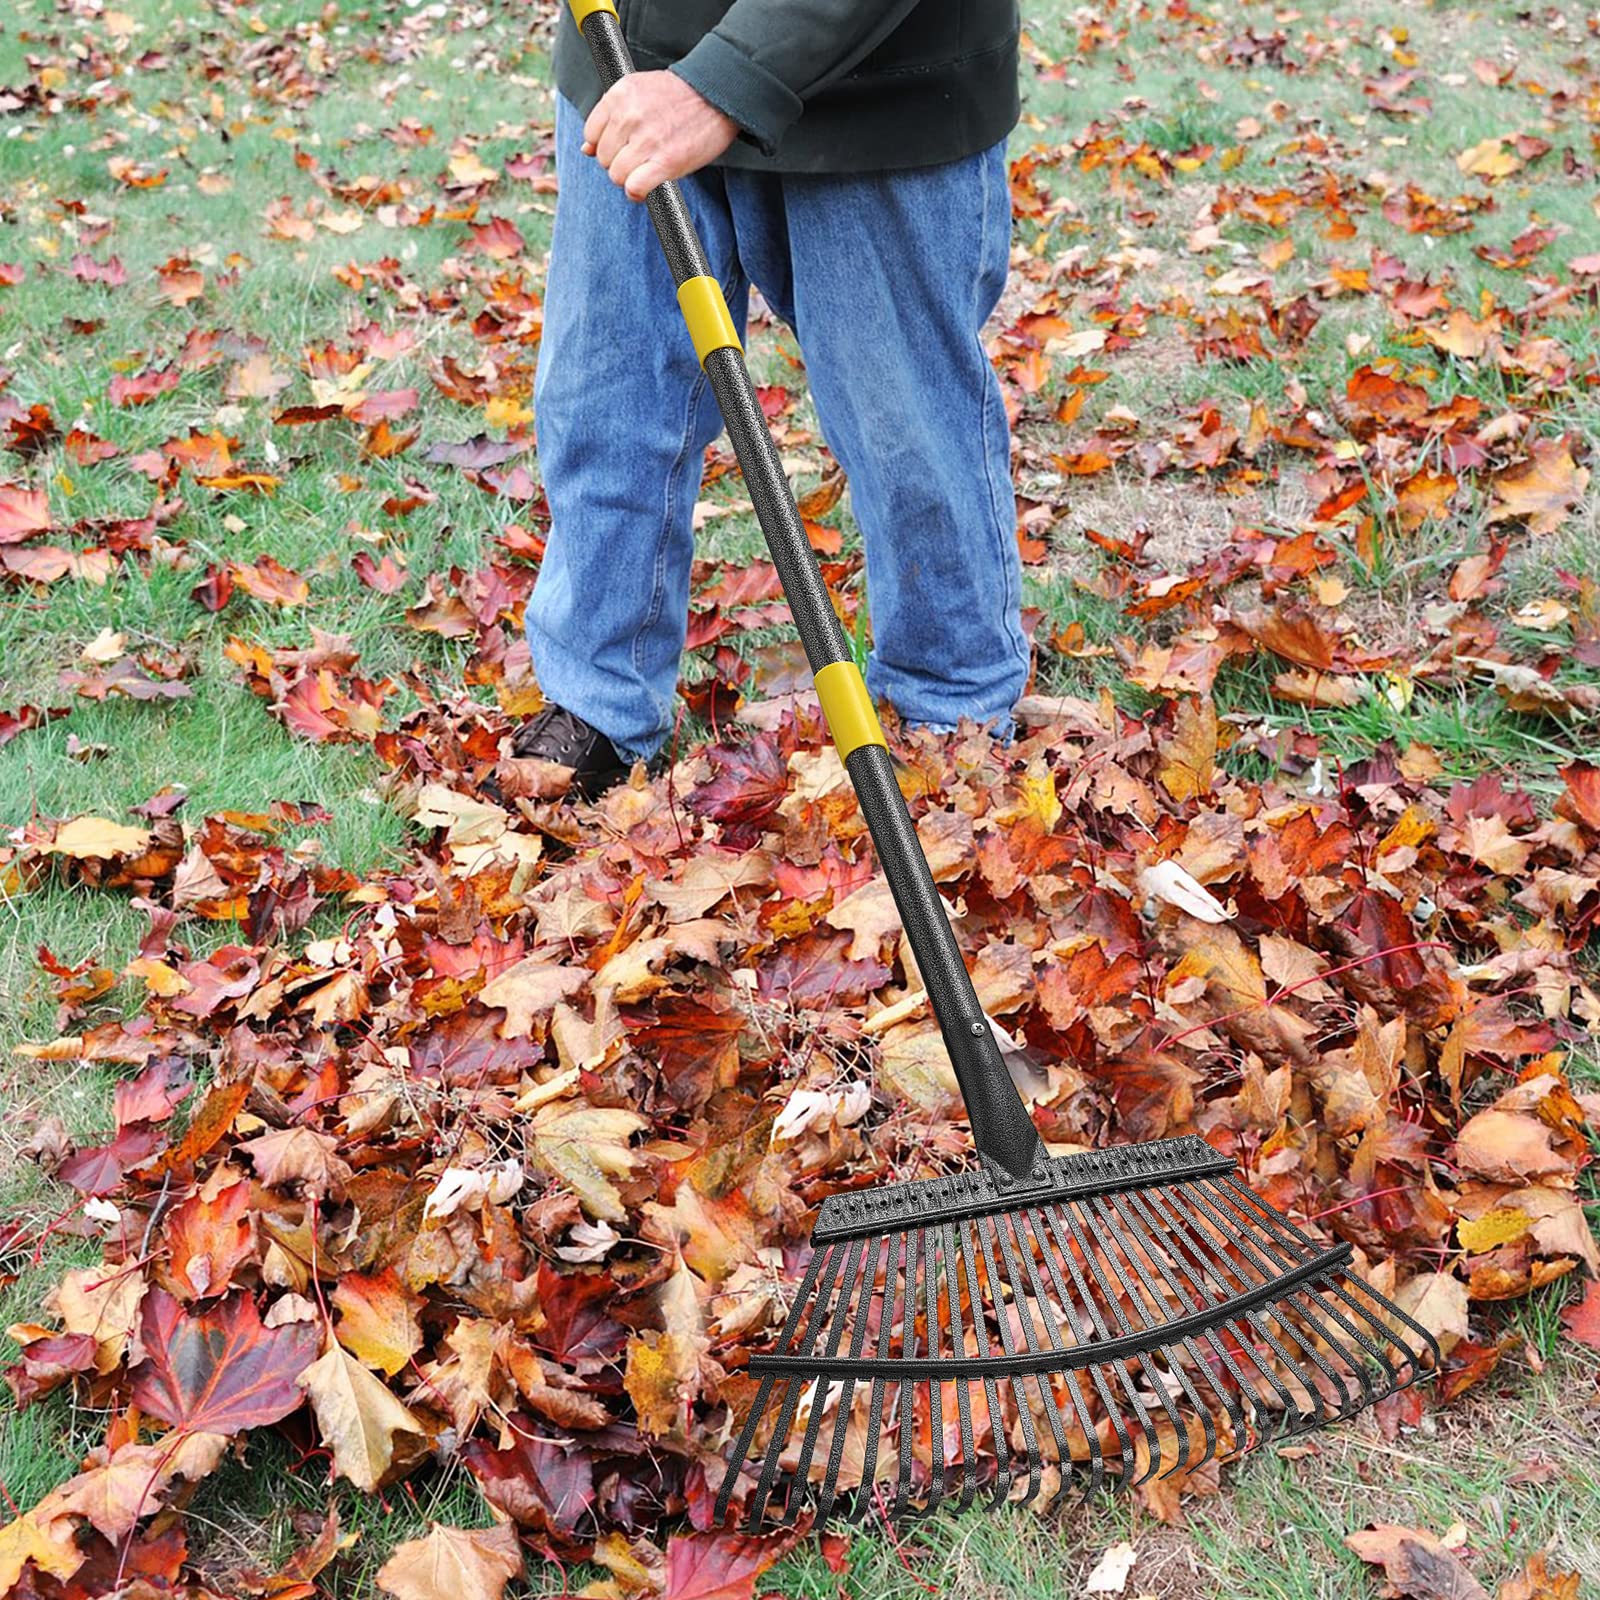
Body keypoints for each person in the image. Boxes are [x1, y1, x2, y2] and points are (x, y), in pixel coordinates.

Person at [514, 0, 1028, 798]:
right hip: (631, 60)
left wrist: (722, 85)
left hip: (879, 88)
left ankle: (950, 719)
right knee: (605, 403)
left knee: (908, 432)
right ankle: (597, 703)